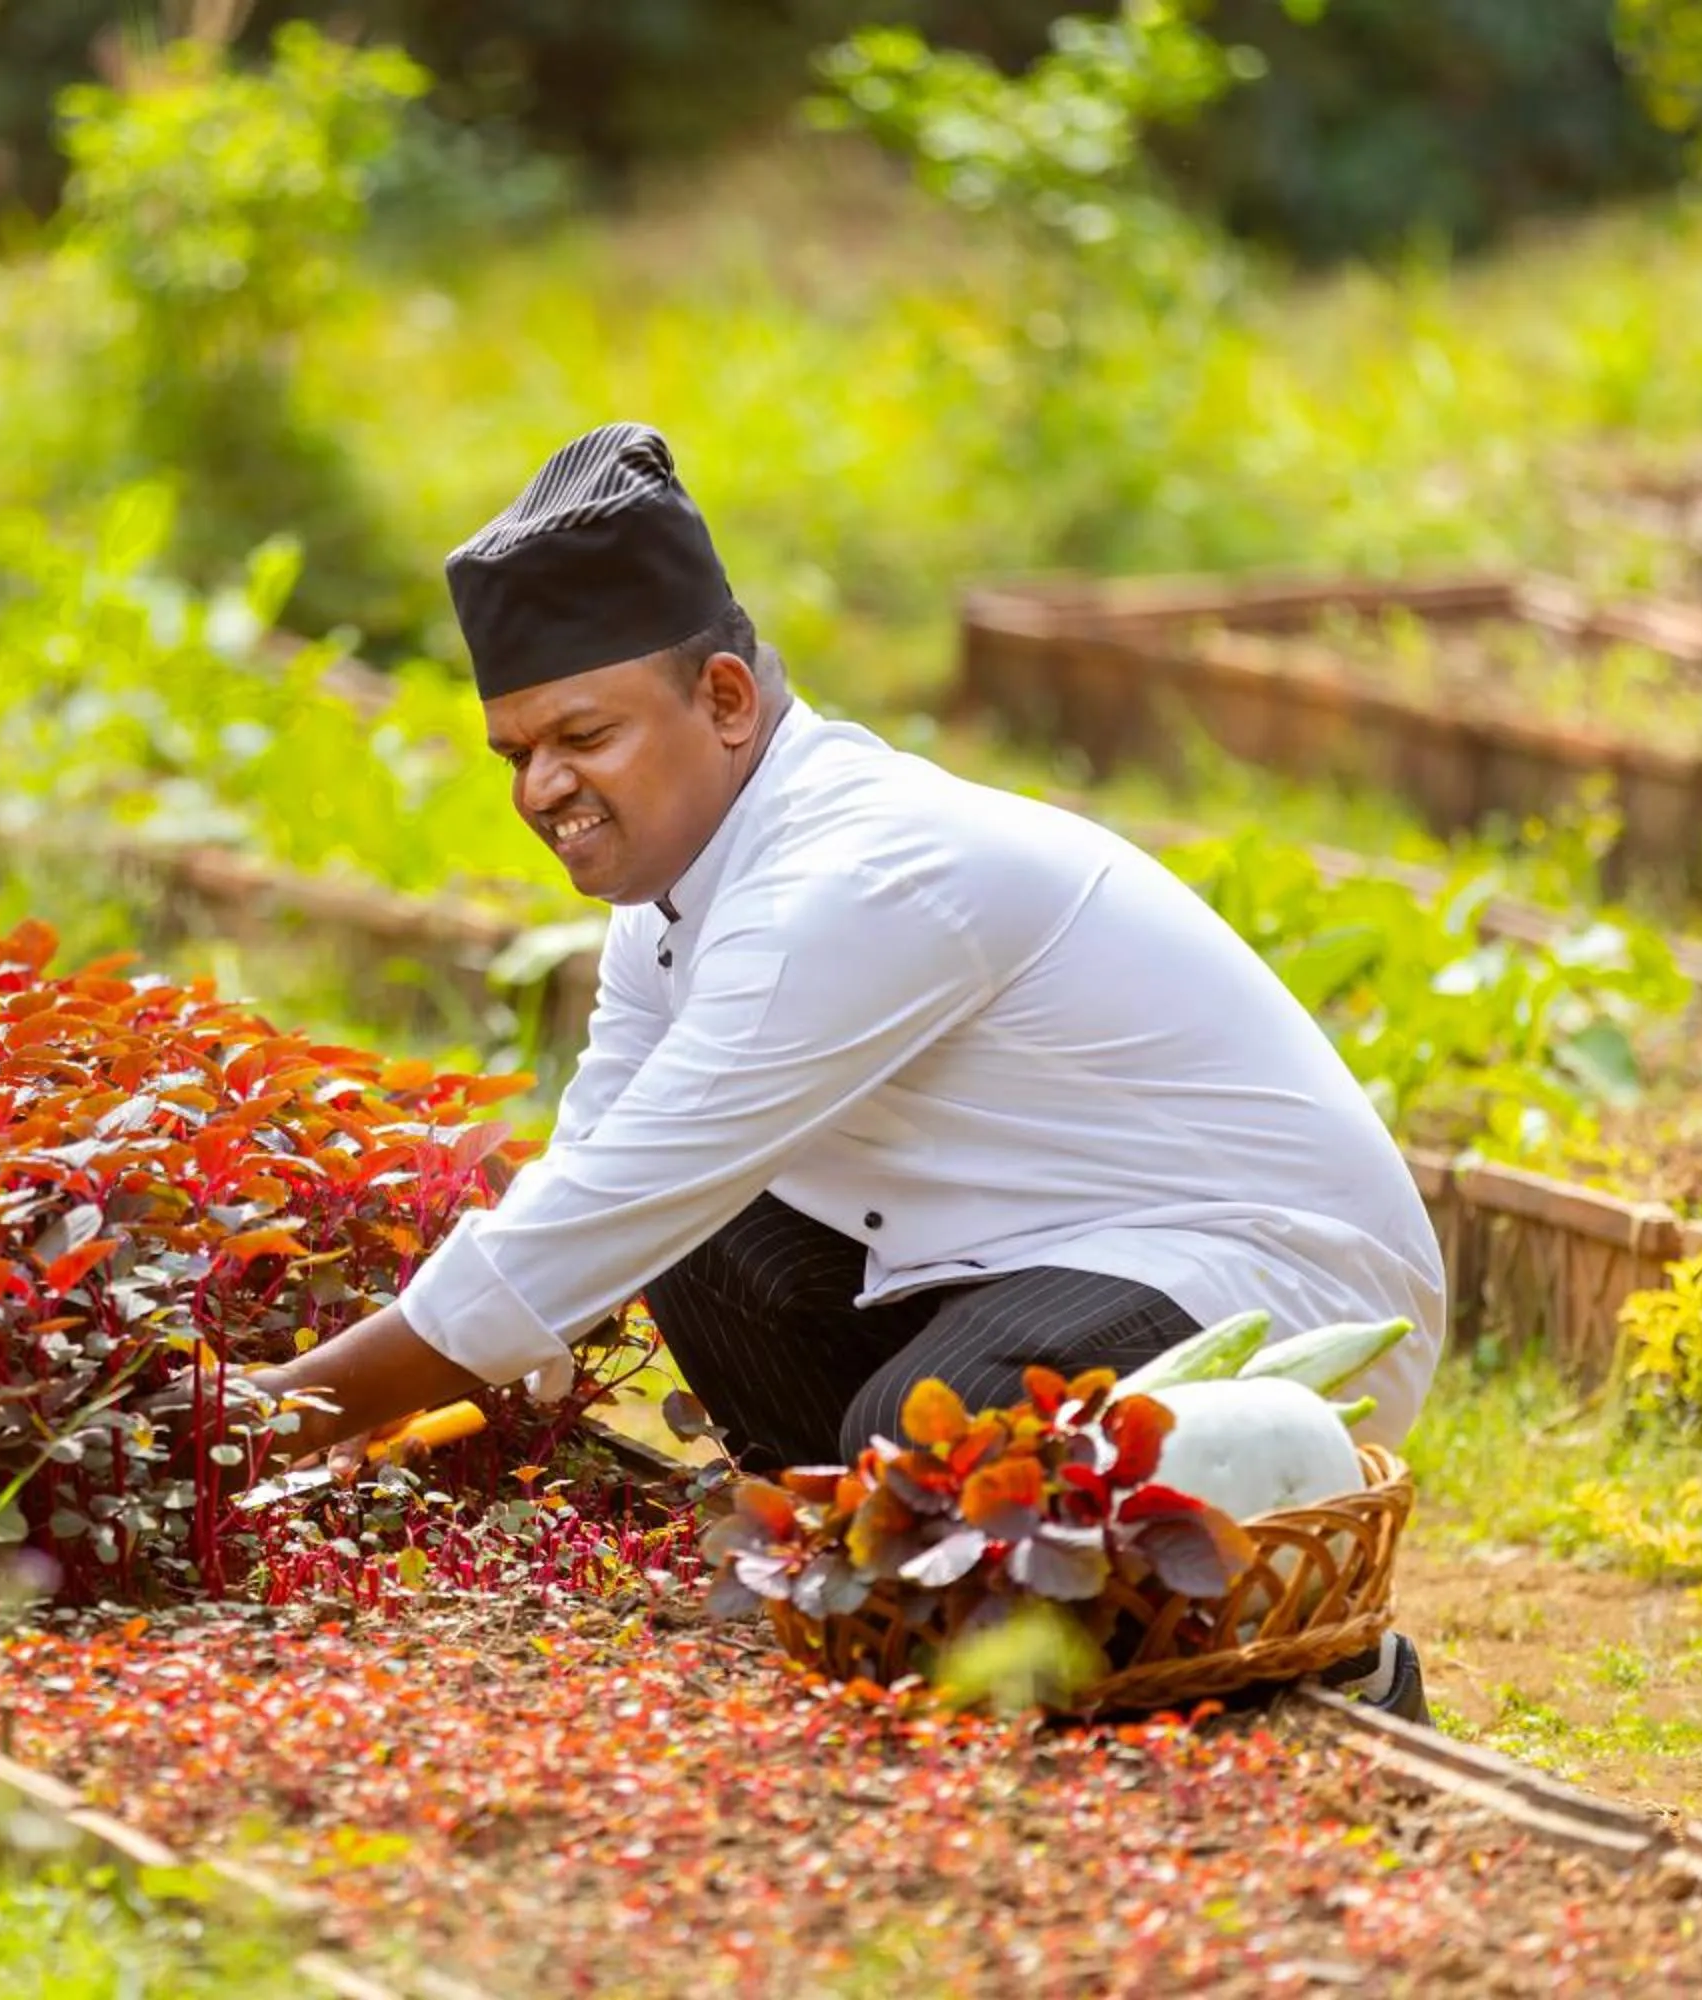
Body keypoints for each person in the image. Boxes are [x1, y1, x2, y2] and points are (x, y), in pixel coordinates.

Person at [240, 421, 1446, 1714]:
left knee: (918, 1431)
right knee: (709, 1263)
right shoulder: (675, 885)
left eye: (582, 735)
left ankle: (1328, 1660)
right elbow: (601, 1177)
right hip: (1031, 1248)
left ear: (724, 699)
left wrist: (266, 1422)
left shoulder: (857, 880)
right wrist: (473, 1383)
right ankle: (907, 1596)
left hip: (1259, 1266)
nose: (544, 788)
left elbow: (580, 1226)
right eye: (515, 753)